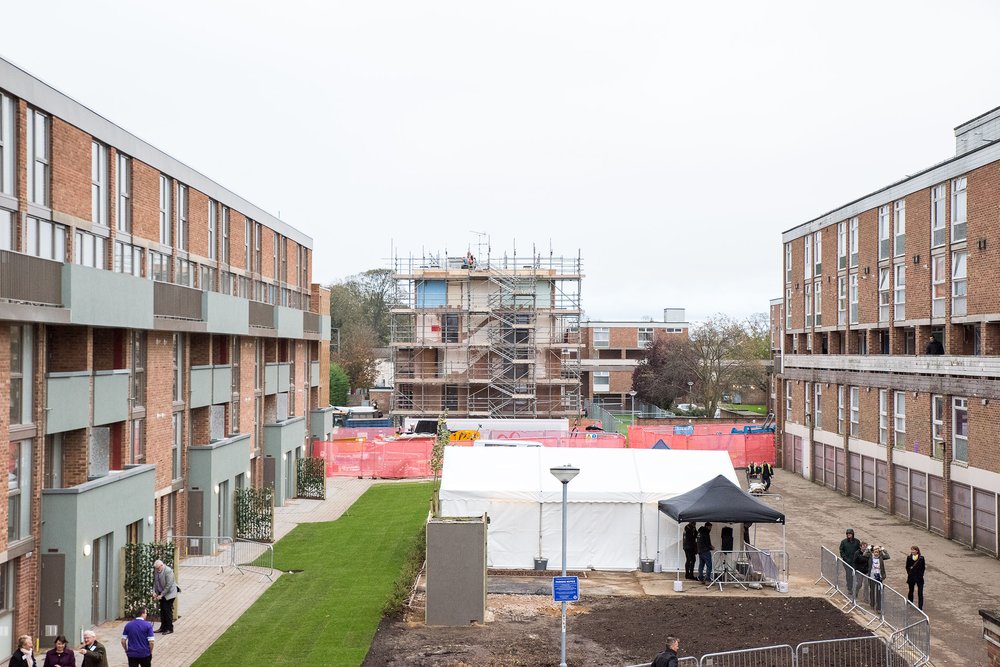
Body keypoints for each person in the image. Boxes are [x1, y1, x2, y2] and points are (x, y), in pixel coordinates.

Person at [151, 559, 178, 634]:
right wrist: (154, 592)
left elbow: (168, 585)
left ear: (162, 565)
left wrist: (161, 595)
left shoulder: (168, 571)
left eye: (158, 568)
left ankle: (169, 628)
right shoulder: (156, 571)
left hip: (169, 594)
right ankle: (163, 627)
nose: (157, 570)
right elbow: (155, 582)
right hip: (161, 592)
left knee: (167, 610)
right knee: (162, 611)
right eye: (156, 568)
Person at [839, 529, 861, 593]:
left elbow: (859, 550)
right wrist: (845, 558)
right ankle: (849, 588)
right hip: (847, 561)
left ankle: (856, 587)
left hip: (855, 561)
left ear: (852, 534)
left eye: (850, 534)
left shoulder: (857, 541)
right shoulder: (843, 542)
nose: (849, 535)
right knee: (849, 574)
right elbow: (841, 550)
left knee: (856, 575)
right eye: (847, 534)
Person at [868, 546, 889, 610]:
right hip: (872, 576)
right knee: (872, 591)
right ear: (873, 552)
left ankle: (878, 607)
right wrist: (868, 548)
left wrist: (883, 550)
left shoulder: (881, 557)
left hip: (879, 577)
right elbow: (865, 554)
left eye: (877, 552)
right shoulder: (870, 557)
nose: (876, 553)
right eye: (875, 552)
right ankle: (872, 604)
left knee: (879, 591)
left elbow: (888, 556)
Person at [905, 545, 926, 610]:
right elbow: (907, 567)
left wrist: (921, 574)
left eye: (913, 550)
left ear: (917, 551)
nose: (912, 551)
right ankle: (910, 603)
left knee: (920, 593)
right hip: (911, 577)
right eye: (911, 550)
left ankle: (920, 607)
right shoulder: (909, 558)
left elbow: (923, 568)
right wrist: (910, 573)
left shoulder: (921, 558)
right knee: (911, 591)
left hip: (919, 578)